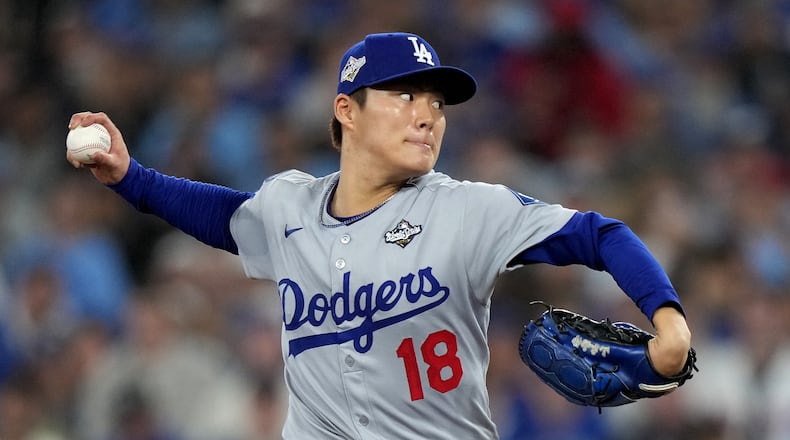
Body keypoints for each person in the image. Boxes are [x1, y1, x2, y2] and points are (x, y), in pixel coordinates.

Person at [67, 32, 692, 440]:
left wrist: (669, 320)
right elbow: (223, 216)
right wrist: (130, 177)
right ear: (347, 110)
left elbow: (598, 234)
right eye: (405, 95)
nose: (428, 114)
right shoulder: (289, 207)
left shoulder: (468, 211)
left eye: (438, 104)